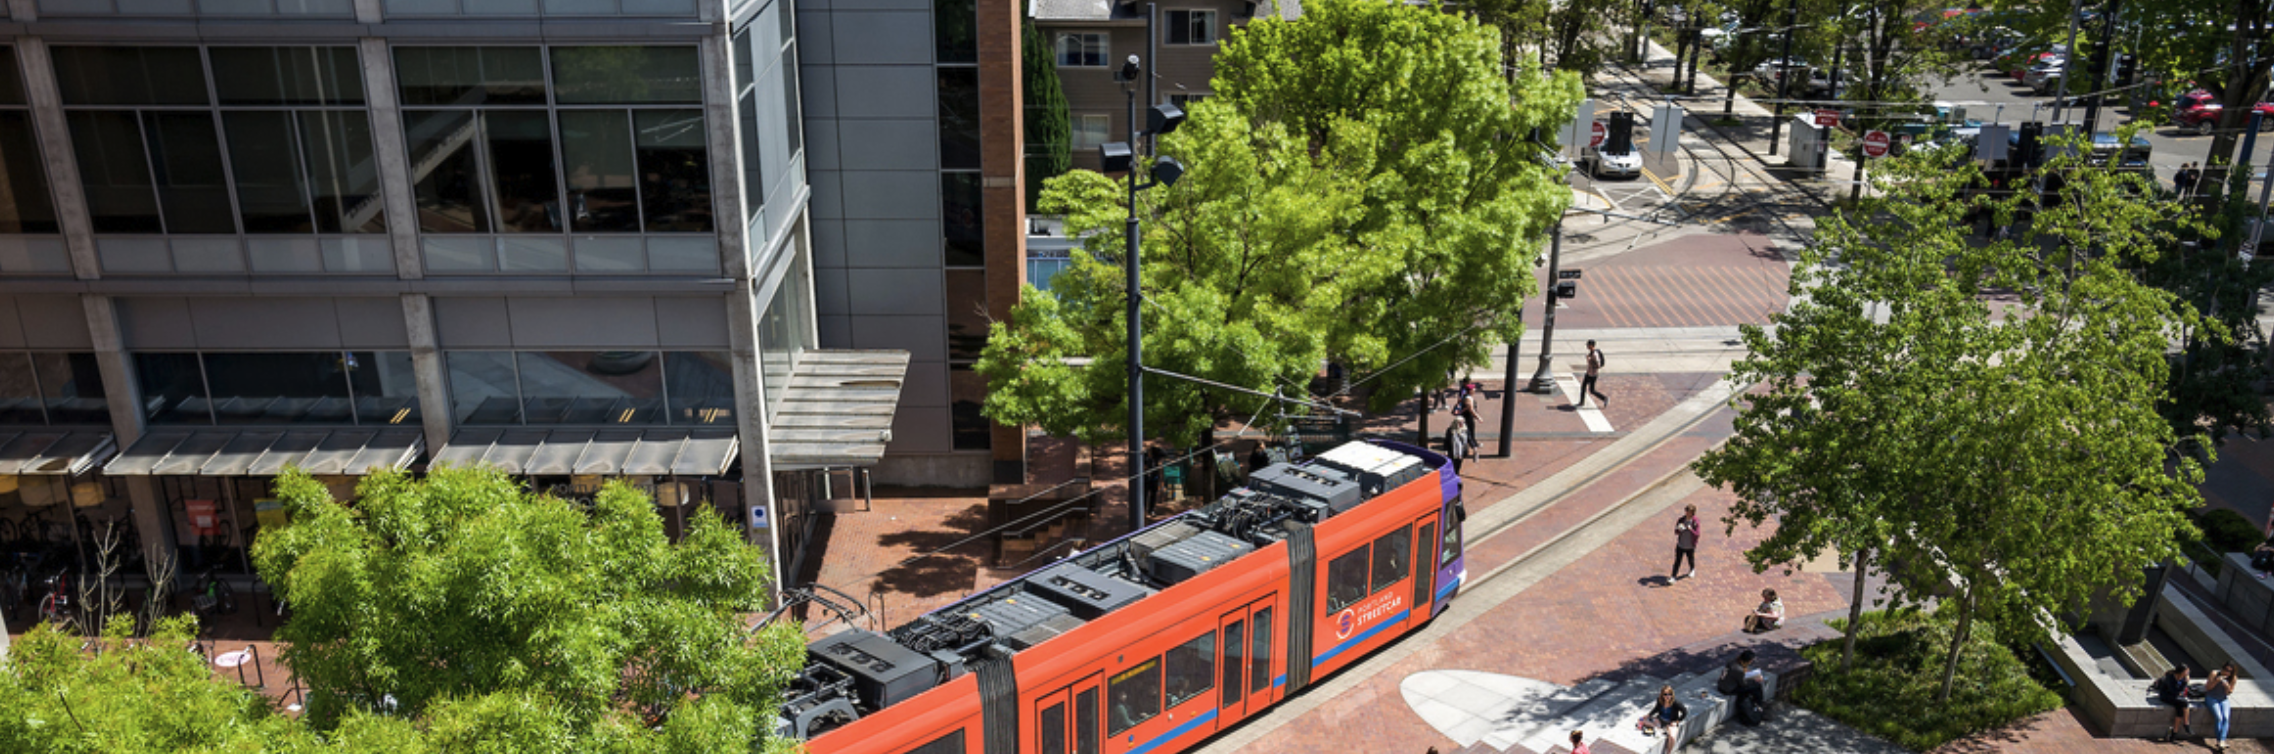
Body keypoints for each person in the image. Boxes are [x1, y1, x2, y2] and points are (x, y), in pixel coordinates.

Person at [1718, 649, 1768, 724]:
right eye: (1751, 661)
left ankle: (1758, 704)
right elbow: (1743, 684)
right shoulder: (1739, 670)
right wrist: (1755, 678)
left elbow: (1742, 673)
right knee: (1756, 686)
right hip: (1728, 689)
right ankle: (1759, 704)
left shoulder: (1733, 662)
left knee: (1754, 687)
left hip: (1722, 684)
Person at [1636, 685, 1687, 753]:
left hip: (1670, 722)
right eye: (1665, 694)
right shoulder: (1660, 701)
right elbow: (1656, 709)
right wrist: (1648, 715)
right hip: (1660, 719)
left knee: (1672, 737)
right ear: (1662, 695)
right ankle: (1660, 728)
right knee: (1642, 721)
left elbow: (1685, 712)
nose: (1667, 696)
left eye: (1670, 694)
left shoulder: (1675, 703)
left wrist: (1677, 721)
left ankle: (1668, 752)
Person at [2153, 665, 2192, 743]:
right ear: (2181, 672)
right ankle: (2186, 723)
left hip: (2175, 697)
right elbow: (2173, 691)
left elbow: (2181, 690)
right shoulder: (2170, 677)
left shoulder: (2183, 678)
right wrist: (2184, 683)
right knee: (2185, 703)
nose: (2188, 673)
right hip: (2166, 696)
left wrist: (2184, 683)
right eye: (2186, 671)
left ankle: (2174, 733)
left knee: (2180, 710)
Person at [2206, 663, 2236, 751]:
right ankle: (2220, 740)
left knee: (2226, 718)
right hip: (2212, 698)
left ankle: (2222, 740)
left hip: (2223, 699)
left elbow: (2229, 692)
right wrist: (2216, 681)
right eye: (2225, 670)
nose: (2226, 673)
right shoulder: (2214, 673)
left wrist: (2227, 687)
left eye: (2229, 671)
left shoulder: (2233, 678)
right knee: (2218, 717)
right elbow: (2208, 688)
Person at [1672, 504, 1701, 581]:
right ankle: (1673, 576)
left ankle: (1692, 569)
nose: (1687, 513)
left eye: (1689, 512)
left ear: (1692, 513)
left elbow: (1697, 534)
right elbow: (1676, 531)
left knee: (1690, 559)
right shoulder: (1681, 520)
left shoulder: (1695, 521)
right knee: (1677, 561)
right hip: (1681, 544)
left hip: (1690, 545)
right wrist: (1679, 529)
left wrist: (1691, 529)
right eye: (1686, 511)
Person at [1578, 340, 1608, 407]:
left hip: (1592, 374)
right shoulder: (1592, 352)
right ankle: (1581, 402)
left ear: (1591, 345)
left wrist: (1589, 360)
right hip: (1589, 373)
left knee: (1592, 390)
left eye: (1588, 345)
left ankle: (1604, 398)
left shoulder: (1595, 354)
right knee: (1583, 387)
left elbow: (1598, 365)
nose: (1587, 346)